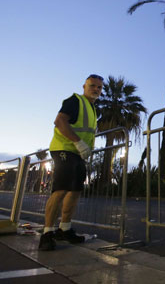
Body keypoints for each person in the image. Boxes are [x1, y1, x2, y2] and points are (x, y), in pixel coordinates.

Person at [38, 74, 103, 251]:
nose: (96, 89)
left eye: (99, 87)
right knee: (60, 190)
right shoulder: (75, 100)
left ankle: (64, 229)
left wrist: (83, 148)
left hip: (78, 154)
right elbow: (59, 121)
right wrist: (78, 142)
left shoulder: (93, 108)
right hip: (64, 149)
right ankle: (47, 233)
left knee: (75, 191)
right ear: (84, 86)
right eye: (92, 86)